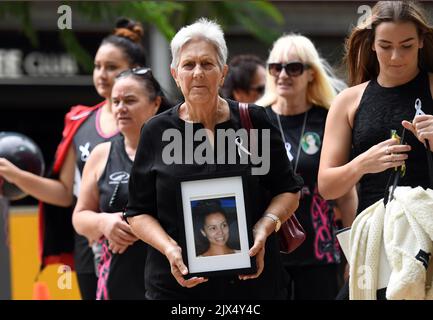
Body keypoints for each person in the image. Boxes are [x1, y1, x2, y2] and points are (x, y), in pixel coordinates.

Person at [124, 18, 304, 300]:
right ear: (174, 73)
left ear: (222, 73)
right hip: (176, 289)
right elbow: (136, 212)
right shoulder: (156, 131)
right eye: (188, 65)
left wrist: (265, 225)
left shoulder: (253, 122)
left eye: (207, 64)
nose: (198, 73)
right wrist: (170, 248)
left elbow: (288, 190)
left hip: (251, 287)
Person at [0, 18, 147, 299]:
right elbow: (66, 193)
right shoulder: (80, 121)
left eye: (112, 68)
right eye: (97, 66)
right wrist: (16, 175)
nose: (102, 75)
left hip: (143, 247)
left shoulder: (152, 121)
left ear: (135, 72)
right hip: (90, 249)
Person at [318, 1, 433, 299]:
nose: (396, 56)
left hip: (427, 241)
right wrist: (363, 163)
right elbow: (327, 185)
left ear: (422, 41)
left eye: (407, 45)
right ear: (371, 44)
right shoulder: (349, 101)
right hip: (373, 243)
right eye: (385, 45)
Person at [256, 34, 357, 300]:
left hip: (319, 251)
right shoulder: (255, 119)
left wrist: (354, 253)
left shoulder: (328, 118)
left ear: (311, 74)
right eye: (276, 68)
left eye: (294, 67)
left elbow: (346, 194)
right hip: (266, 248)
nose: (283, 75)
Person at [72, 67, 170, 299]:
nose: (120, 108)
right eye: (115, 101)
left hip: (167, 279)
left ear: (155, 103)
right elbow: (79, 217)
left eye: (130, 100)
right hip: (116, 283)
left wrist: (142, 225)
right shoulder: (101, 154)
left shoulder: (175, 151)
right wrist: (103, 222)